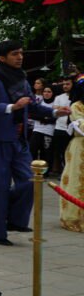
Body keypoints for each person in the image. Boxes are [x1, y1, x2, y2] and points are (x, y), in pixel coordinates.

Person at [0, 41, 68, 246]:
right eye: (14, 54)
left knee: (31, 181)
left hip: (19, 142)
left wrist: (55, 112)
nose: (20, 57)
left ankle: (15, 220)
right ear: (2, 58)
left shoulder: (22, 80)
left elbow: (34, 107)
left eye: (21, 53)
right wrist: (12, 106)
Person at [59, 75, 84, 232]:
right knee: (76, 180)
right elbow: (82, 127)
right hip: (80, 149)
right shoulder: (76, 106)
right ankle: (74, 217)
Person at [52, 77, 75, 178]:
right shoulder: (59, 97)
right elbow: (54, 108)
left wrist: (60, 108)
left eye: (68, 84)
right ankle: (63, 172)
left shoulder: (76, 97)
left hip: (72, 129)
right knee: (60, 151)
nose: (65, 86)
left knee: (71, 151)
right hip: (59, 128)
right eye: (64, 84)